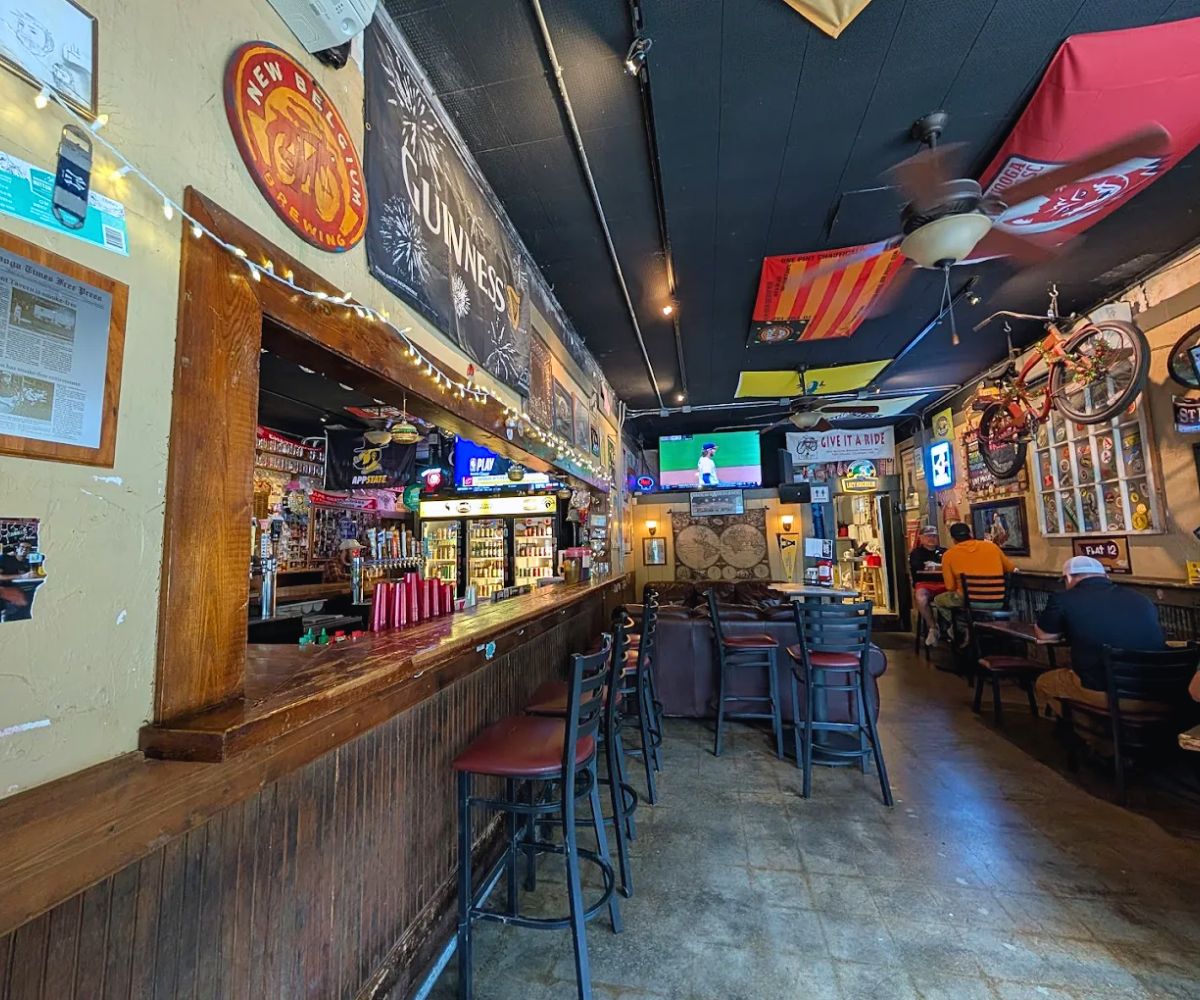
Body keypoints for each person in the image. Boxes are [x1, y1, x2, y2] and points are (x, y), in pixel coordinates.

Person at [1034, 556, 1167, 718]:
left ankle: (1093, 733)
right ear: (1106, 576)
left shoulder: (1063, 599)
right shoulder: (1141, 598)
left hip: (1111, 693)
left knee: (1044, 683)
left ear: (1068, 578)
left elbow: (1045, 635)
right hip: (1161, 691)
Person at [933, 522, 1016, 637]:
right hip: (997, 601)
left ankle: (962, 627)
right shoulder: (992, 546)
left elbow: (950, 587)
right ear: (970, 533)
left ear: (953, 538)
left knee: (938, 600)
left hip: (969, 602)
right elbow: (1011, 568)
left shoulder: (948, 555)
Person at [909, 526, 947, 645]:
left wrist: (934, 565)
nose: (931, 538)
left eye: (934, 536)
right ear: (921, 538)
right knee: (920, 597)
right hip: (925, 584)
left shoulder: (944, 552)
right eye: (928, 536)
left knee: (958, 597)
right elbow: (917, 567)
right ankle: (933, 628)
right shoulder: (916, 553)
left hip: (944, 584)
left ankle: (953, 629)